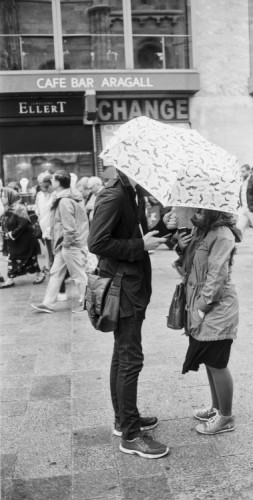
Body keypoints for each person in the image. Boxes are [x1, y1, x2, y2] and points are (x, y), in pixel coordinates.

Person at [88, 170, 177, 459]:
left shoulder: (131, 191)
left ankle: (124, 419)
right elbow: (97, 243)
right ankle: (131, 435)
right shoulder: (115, 194)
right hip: (122, 287)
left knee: (122, 355)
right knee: (130, 359)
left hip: (131, 284)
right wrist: (140, 245)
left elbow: (137, 235)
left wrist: (164, 226)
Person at [175, 208, 241, 435]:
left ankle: (226, 417)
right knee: (208, 360)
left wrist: (202, 308)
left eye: (200, 207)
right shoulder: (203, 230)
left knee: (217, 362)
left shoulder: (222, 233)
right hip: (201, 304)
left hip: (217, 307)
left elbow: (217, 274)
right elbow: (188, 268)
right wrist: (182, 247)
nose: (195, 211)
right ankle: (217, 407)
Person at [31, 170, 89, 313]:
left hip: (68, 244)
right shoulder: (68, 197)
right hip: (65, 243)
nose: (51, 182)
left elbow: (69, 227)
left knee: (78, 274)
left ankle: (88, 303)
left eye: (53, 180)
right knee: (56, 273)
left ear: (58, 183)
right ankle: (48, 303)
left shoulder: (64, 201)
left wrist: (66, 245)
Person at [0, 188, 45, 288]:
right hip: (14, 241)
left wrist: (12, 233)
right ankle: (10, 279)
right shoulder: (8, 208)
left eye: (4, 196)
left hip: (24, 240)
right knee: (16, 258)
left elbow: (24, 224)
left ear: (11, 197)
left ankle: (39, 274)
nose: (2, 198)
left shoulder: (19, 208)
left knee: (28, 257)